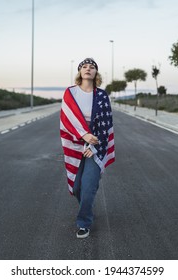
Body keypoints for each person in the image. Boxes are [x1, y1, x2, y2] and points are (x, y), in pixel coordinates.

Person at [59, 58, 115, 239]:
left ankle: (84, 222)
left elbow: (106, 124)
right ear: (80, 72)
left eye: (92, 67)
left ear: (96, 73)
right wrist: (84, 137)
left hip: (95, 145)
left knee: (89, 186)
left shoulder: (102, 95)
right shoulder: (70, 93)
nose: (88, 69)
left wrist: (93, 145)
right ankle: (86, 206)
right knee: (76, 187)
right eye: (84, 67)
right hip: (75, 143)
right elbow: (67, 119)